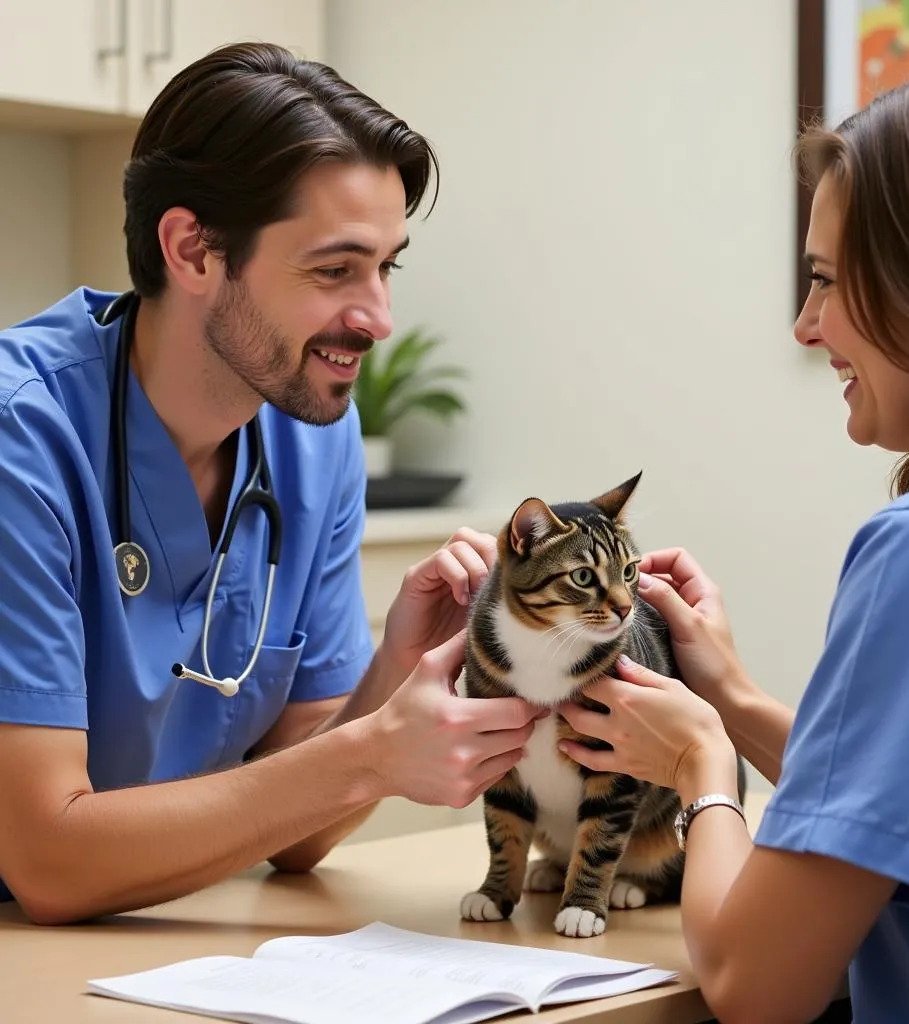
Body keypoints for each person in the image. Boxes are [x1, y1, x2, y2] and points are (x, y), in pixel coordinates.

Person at [0, 42, 544, 926]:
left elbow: (299, 830)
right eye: (335, 270)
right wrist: (372, 754)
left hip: (142, 941)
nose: (377, 317)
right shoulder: (21, 436)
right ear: (194, 250)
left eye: (386, 266)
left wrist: (395, 672)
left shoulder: (310, 436)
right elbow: (50, 862)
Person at [558, 52, 909, 1024]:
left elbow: (751, 984)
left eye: (823, 281)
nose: (805, 325)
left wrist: (702, 768)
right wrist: (724, 695)